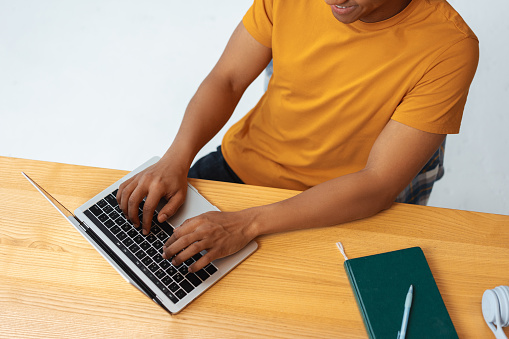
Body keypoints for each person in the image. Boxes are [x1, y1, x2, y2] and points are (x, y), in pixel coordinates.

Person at [117, 0, 479, 274]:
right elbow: (227, 78)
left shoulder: (448, 45)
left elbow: (378, 183)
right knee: (137, 262)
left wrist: (248, 224)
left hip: (340, 205)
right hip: (244, 166)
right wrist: (174, 159)